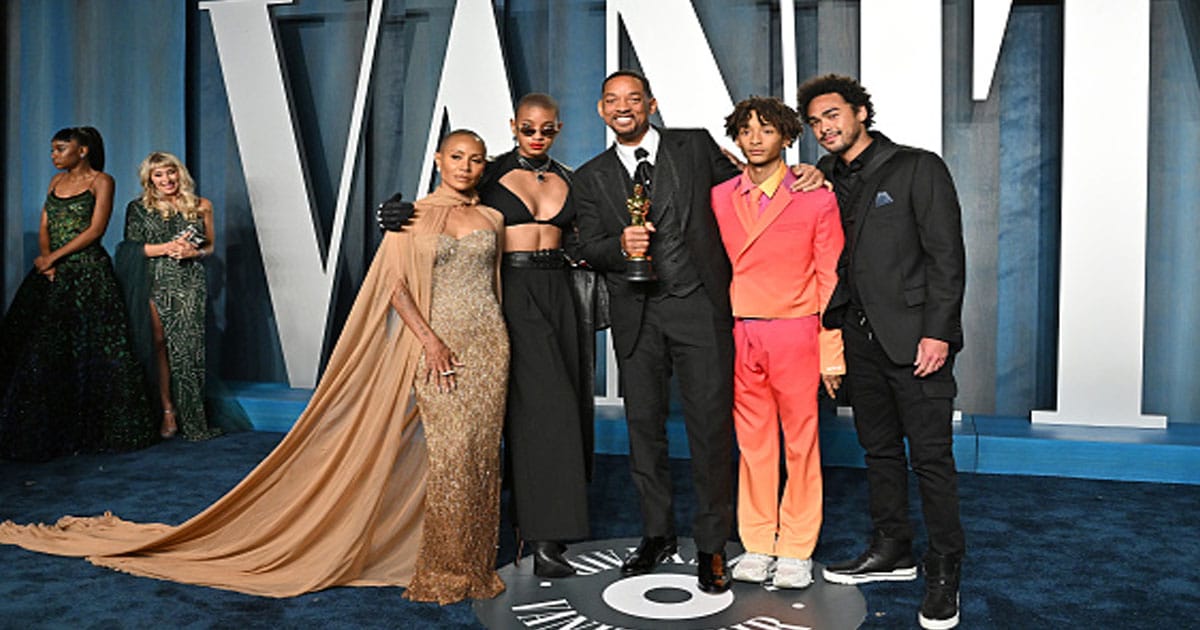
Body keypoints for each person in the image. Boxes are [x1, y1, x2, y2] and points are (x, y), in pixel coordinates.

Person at [0, 130, 509, 606]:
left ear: (486, 165)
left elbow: (499, 287)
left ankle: (472, 560)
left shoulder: (493, 220)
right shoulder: (412, 217)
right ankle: (444, 566)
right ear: (439, 160)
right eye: (456, 156)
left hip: (489, 345)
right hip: (435, 347)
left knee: (479, 456)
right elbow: (395, 288)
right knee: (448, 454)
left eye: (476, 157)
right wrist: (429, 343)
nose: (466, 166)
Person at [570, 70, 823, 593]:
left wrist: (806, 175)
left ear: (651, 104)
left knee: (710, 430)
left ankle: (711, 544)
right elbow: (585, 245)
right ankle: (656, 533)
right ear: (601, 111)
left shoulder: (694, 145)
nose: (624, 108)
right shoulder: (590, 176)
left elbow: (752, 181)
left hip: (701, 311)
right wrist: (620, 246)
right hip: (636, 316)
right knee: (645, 430)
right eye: (613, 101)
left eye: (634, 99)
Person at [797, 74, 966, 629]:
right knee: (880, 453)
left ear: (861, 112)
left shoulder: (917, 166)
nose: (824, 128)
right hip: (858, 341)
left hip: (916, 339)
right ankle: (891, 547)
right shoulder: (823, 179)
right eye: (816, 122)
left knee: (932, 459)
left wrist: (938, 332)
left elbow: (946, 256)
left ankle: (944, 568)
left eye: (833, 115)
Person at [710, 97, 844, 589]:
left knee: (802, 444)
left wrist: (833, 352)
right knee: (753, 444)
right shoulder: (721, 196)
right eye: (745, 130)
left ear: (787, 137)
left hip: (798, 330)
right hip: (743, 329)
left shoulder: (816, 196)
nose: (755, 138)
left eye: (766, 130)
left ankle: (796, 548)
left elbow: (830, 277)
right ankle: (759, 541)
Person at [474, 93, 593, 578]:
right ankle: (541, 539)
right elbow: (447, 210)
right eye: (528, 129)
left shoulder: (570, 178)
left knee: (567, 405)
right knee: (543, 410)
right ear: (513, 127)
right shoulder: (488, 175)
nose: (537, 136)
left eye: (546, 129)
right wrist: (402, 219)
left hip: (562, 291)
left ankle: (545, 529)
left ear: (558, 130)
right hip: (513, 290)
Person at [0, 126, 156, 460]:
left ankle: (96, 433)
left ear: (82, 150)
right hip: (52, 274)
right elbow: (46, 225)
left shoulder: (102, 181)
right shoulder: (55, 183)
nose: (54, 155)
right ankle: (47, 434)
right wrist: (48, 262)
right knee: (42, 352)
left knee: (97, 351)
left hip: (89, 274)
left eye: (60, 149)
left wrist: (53, 257)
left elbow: (96, 230)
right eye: (52, 150)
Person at [115, 152, 223, 440]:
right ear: (149, 179)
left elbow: (210, 245)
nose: (166, 180)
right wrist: (168, 247)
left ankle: (194, 419)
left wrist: (194, 252)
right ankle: (167, 411)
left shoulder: (202, 206)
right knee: (160, 345)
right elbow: (131, 249)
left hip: (189, 282)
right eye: (159, 175)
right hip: (154, 281)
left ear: (180, 173)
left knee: (188, 351)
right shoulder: (138, 208)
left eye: (170, 172)